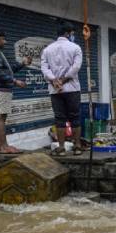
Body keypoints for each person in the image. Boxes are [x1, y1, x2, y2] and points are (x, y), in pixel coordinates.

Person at [0, 30, 32, 154]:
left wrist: (22, 64)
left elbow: (6, 70)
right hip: (0, 90)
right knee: (1, 117)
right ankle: (4, 146)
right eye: (3, 39)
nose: (5, 42)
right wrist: (15, 81)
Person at [41, 22, 84, 156]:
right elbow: (76, 67)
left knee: (59, 118)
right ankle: (77, 147)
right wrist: (63, 80)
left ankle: (61, 148)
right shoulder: (75, 48)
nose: (73, 36)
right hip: (72, 89)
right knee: (75, 118)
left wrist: (54, 81)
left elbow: (44, 68)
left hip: (55, 90)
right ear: (67, 33)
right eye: (72, 34)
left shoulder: (47, 49)